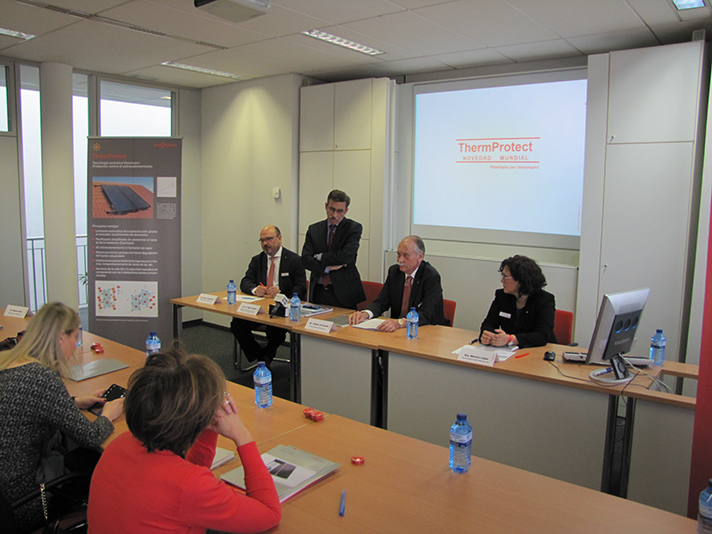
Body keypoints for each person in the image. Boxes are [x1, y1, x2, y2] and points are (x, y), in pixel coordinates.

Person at [87, 349, 282, 534]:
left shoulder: (121, 443)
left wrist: (208, 427)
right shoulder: (190, 486)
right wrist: (243, 436)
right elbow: (270, 513)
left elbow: (187, 470)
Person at [0, 302, 124, 532]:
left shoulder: (11, 364)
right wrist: (108, 414)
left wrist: (75, 402)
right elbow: (91, 436)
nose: (76, 347)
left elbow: (30, 406)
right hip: (27, 501)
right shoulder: (41, 378)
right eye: (75, 339)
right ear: (60, 337)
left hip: (5, 493)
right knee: (100, 462)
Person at [230, 225, 307, 365]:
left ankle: (267, 355)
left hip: (281, 310)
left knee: (275, 329)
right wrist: (254, 289)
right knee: (237, 324)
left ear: (279, 238)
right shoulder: (257, 260)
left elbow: (301, 288)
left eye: (269, 239)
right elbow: (245, 281)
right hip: (259, 309)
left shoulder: (294, 260)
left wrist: (282, 293)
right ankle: (260, 355)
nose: (265, 244)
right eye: (262, 240)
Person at [349, 236, 447, 331]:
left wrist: (400, 323)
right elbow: (382, 302)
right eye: (398, 254)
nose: (400, 260)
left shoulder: (430, 276)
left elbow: (426, 313)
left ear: (420, 256)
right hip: (397, 331)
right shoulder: (395, 272)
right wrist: (365, 314)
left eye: (406, 255)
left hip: (425, 331)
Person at [301, 189, 366, 310]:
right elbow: (305, 259)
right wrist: (326, 268)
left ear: (346, 211)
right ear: (326, 206)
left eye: (340, 211)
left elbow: (346, 256)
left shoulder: (353, 228)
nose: (334, 215)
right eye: (332, 209)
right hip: (318, 291)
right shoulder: (314, 229)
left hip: (343, 292)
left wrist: (319, 257)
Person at [479, 255, 557, 348]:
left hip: (538, 351)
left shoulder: (544, 300)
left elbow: (542, 335)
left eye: (505, 277)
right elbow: (489, 323)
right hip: (508, 351)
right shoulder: (502, 296)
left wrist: (511, 339)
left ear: (521, 280)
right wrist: (487, 335)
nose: (501, 280)